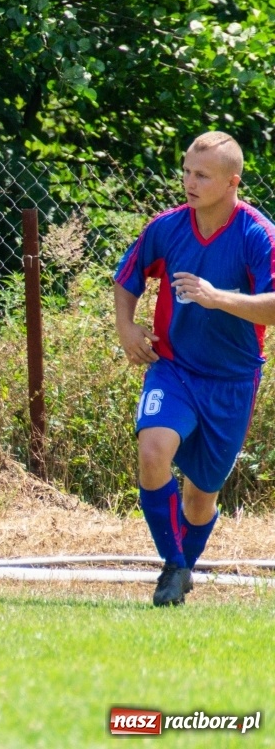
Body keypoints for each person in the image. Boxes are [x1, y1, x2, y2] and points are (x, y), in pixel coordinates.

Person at [114, 131, 275, 606]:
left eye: (202, 174)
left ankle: (182, 565)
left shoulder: (258, 235)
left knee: (201, 496)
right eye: (186, 170)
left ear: (232, 182)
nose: (189, 181)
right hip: (174, 368)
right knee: (152, 450)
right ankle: (175, 567)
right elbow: (128, 280)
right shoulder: (165, 227)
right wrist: (127, 327)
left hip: (232, 381)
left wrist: (216, 297)